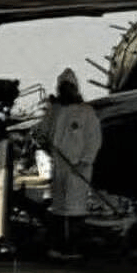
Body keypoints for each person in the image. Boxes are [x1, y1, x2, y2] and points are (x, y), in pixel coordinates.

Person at [34, 68, 102, 260]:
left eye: (68, 87)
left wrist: (85, 161)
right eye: (62, 87)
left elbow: (94, 139)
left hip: (78, 168)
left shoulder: (86, 112)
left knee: (75, 209)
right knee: (58, 209)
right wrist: (43, 141)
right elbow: (42, 133)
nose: (65, 90)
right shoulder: (54, 111)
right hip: (59, 167)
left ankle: (73, 247)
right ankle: (58, 247)